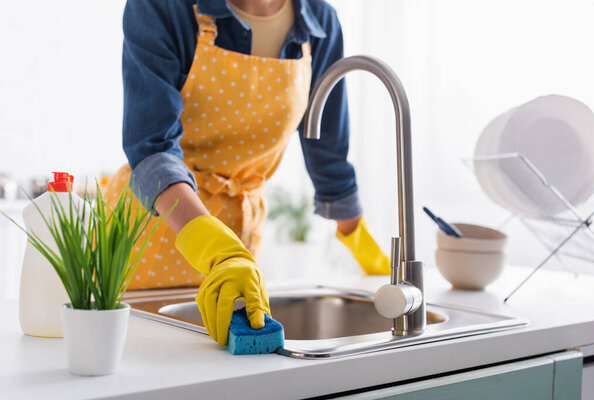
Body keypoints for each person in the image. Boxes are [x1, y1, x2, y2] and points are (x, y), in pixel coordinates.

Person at [105, 0, 390, 347]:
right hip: (150, 236)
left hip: (239, 246)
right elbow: (151, 147)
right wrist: (214, 247)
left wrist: (365, 249)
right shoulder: (163, 7)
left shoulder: (320, 21)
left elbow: (328, 152)